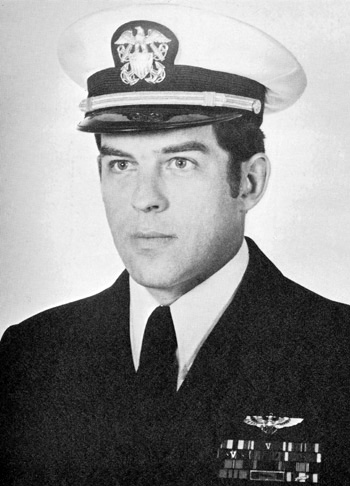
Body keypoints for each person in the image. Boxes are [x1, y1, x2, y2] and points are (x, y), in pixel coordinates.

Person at [1, 3, 349, 485]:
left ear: (248, 181)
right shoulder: (31, 355)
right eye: (121, 164)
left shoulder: (338, 355)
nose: (145, 199)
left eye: (180, 163)